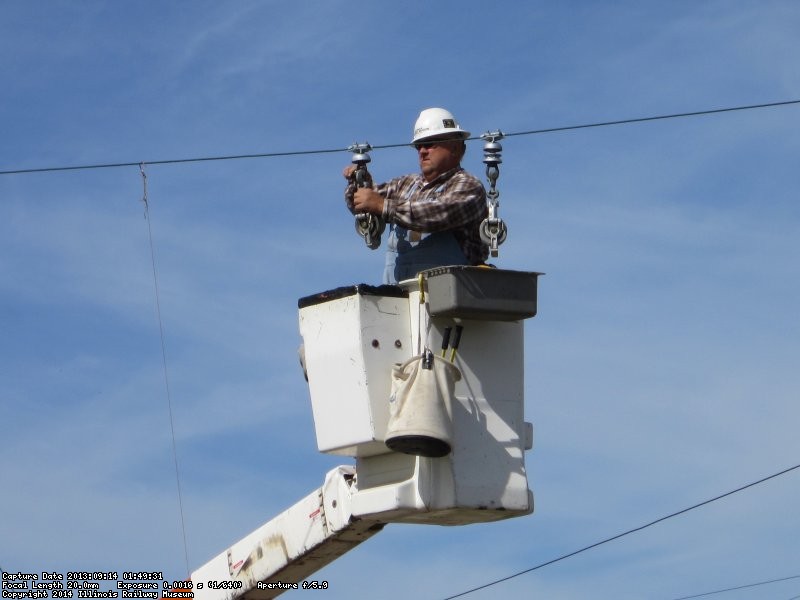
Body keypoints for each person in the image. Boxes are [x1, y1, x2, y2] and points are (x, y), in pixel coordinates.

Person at [343, 108, 489, 284]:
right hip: (400, 301)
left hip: (450, 301)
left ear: (456, 147)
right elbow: (363, 202)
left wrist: (383, 206)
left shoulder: (468, 186)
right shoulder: (405, 185)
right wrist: (358, 183)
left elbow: (436, 214)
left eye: (430, 144)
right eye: (419, 146)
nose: (422, 151)